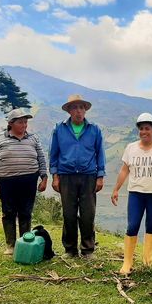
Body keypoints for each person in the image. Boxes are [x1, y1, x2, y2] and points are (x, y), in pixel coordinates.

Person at [111, 113, 152, 274]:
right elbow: (125, 170)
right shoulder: (131, 148)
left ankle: (147, 261)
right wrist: (116, 189)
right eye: (141, 128)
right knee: (133, 225)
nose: (144, 132)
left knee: (151, 224)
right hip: (136, 193)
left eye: (148, 128)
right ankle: (127, 262)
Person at [49, 94, 106, 260]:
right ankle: (70, 249)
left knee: (88, 214)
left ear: (85, 110)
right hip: (66, 176)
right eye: (74, 108)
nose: (78, 111)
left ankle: (88, 249)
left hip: (89, 176)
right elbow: (54, 154)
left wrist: (100, 176)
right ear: (69, 111)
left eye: (81, 107)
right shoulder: (59, 129)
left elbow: (100, 154)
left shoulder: (94, 130)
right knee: (69, 214)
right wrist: (55, 176)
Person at [0, 108, 48, 255]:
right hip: (7, 182)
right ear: (11, 123)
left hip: (29, 181)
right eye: (20, 122)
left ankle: (24, 244)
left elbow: (41, 159)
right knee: (8, 212)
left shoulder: (33, 139)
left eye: (25, 122)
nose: (24, 125)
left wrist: (44, 178)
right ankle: (11, 245)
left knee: (26, 212)